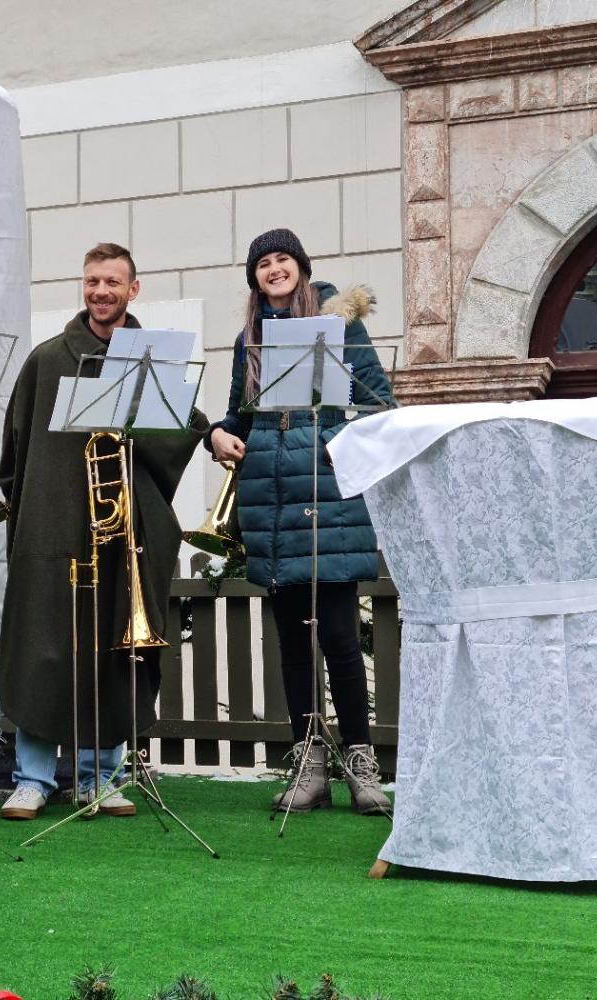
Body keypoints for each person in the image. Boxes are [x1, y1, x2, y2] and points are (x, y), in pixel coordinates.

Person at [0, 243, 205, 821]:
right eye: (92, 281)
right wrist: (34, 517)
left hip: (120, 535)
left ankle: (100, 777)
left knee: (114, 651)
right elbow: (15, 453)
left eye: (113, 282)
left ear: (133, 289)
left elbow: (177, 432)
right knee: (44, 651)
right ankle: (32, 779)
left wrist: (206, 433)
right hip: (51, 532)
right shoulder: (45, 360)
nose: (101, 292)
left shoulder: (152, 361)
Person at [206, 227, 393, 816]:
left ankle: (360, 763)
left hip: (328, 494)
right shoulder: (249, 339)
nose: (273, 269)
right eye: (263, 263)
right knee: (292, 641)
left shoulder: (339, 324)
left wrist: (328, 434)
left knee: (338, 635)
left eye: (283, 258)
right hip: (271, 498)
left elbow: (379, 403)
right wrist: (218, 437)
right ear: (255, 278)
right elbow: (238, 415)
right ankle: (309, 765)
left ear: (302, 268)